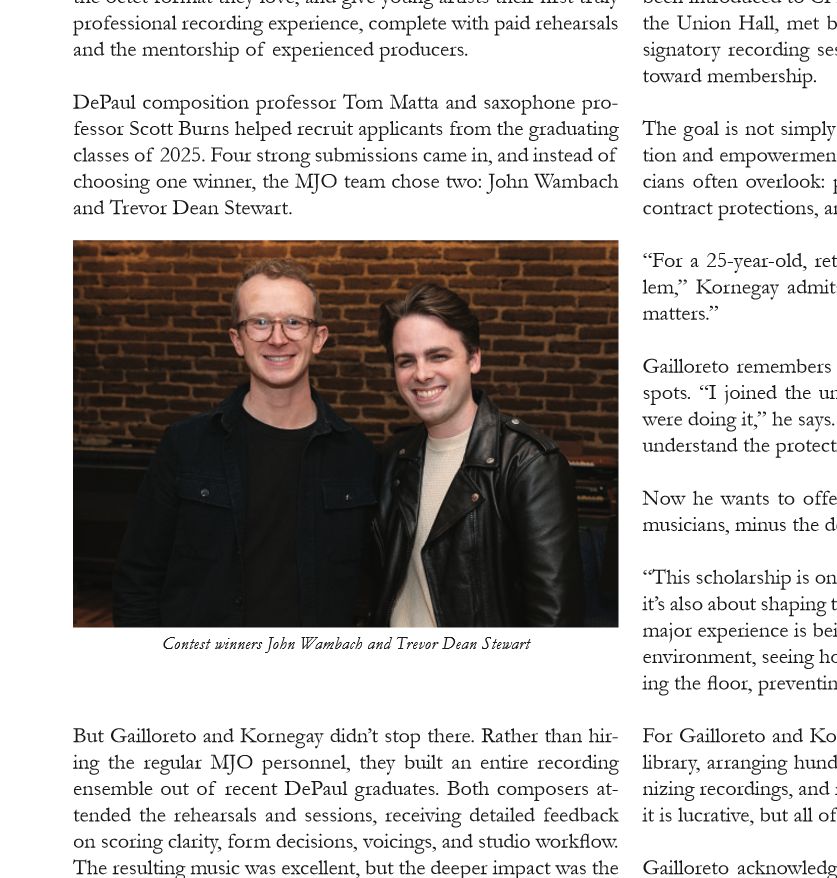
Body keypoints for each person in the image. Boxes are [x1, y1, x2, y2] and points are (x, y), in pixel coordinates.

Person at [111, 258, 377, 626]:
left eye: (295, 322)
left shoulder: (358, 456)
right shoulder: (184, 446)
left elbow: (379, 585)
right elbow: (137, 581)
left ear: (318, 339)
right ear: (237, 340)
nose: (278, 338)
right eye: (260, 322)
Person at [372, 283, 584, 627]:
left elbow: (555, 617)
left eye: (438, 356)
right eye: (406, 361)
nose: (422, 373)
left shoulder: (528, 463)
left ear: (474, 358)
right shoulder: (394, 457)